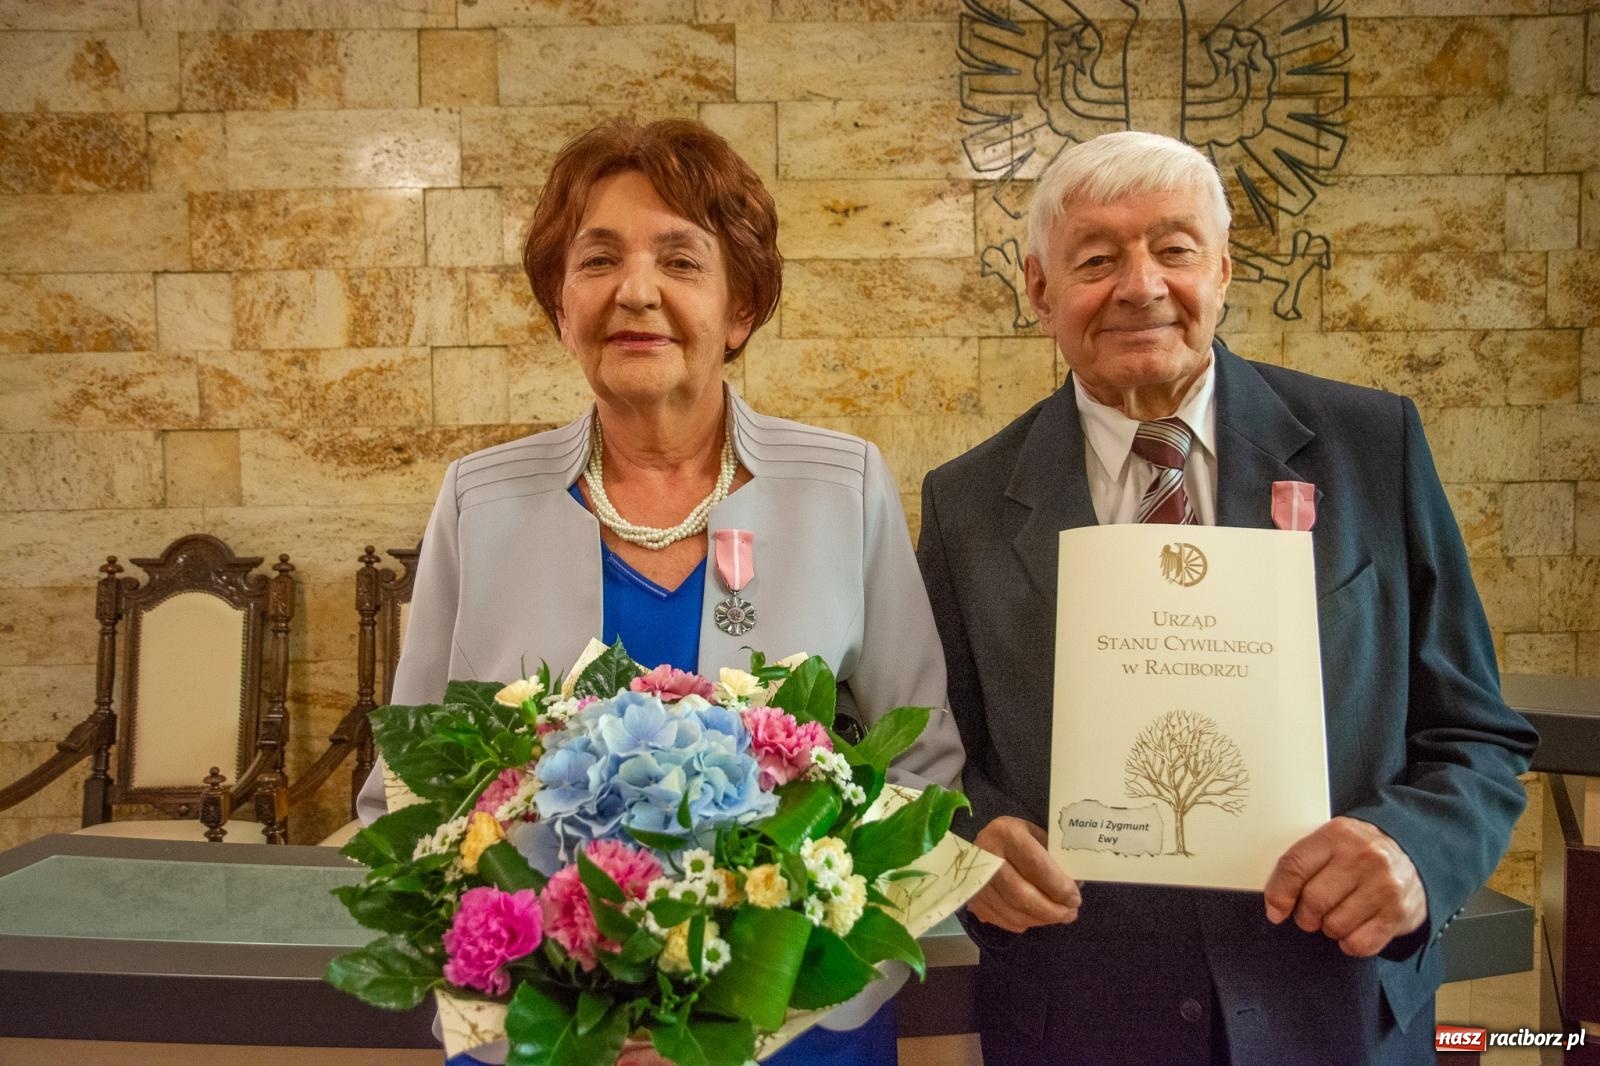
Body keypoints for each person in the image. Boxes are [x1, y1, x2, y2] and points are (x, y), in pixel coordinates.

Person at [916, 130, 1537, 1064]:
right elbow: (925, 760)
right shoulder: (965, 502)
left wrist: (1414, 854)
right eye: (1095, 258)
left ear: (1224, 269)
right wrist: (969, 847)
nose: (1141, 285)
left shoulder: (1373, 447)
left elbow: (1478, 734)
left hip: (1338, 1013)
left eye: (1175, 249)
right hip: (1079, 1024)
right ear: (1040, 291)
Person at [356, 117, 962, 1066]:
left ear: (741, 308)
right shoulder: (481, 499)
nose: (634, 291)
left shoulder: (842, 486)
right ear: (562, 307)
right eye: (597, 260)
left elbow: (920, 771)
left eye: (681, 260)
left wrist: (765, 999)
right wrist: (542, 992)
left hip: (790, 1032)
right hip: (547, 1037)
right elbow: (403, 795)